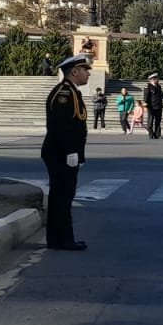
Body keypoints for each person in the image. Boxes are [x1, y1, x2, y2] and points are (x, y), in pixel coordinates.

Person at [41, 55, 92, 251]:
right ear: (74, 72)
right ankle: (62, 239)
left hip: (65, 153)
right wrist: (71, 152)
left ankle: (59, 239)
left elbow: (77, 127)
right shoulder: (64, 93)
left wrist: (79, 154)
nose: (88, 73)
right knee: (61, 196)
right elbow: (61, 126)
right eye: (85, 69)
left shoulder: (72, 92)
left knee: (63, 196)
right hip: (59, 153)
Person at [143, 74, 163, 139]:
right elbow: (146, 97)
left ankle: (158, 135)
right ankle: (151, 134)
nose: (158, 80)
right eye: (157, 78)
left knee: (158, 122)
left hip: (159, 106)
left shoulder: (159, 86)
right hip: (151, 107)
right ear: (153, 79)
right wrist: (145, 104)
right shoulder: (148, 87)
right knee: (150, 122)